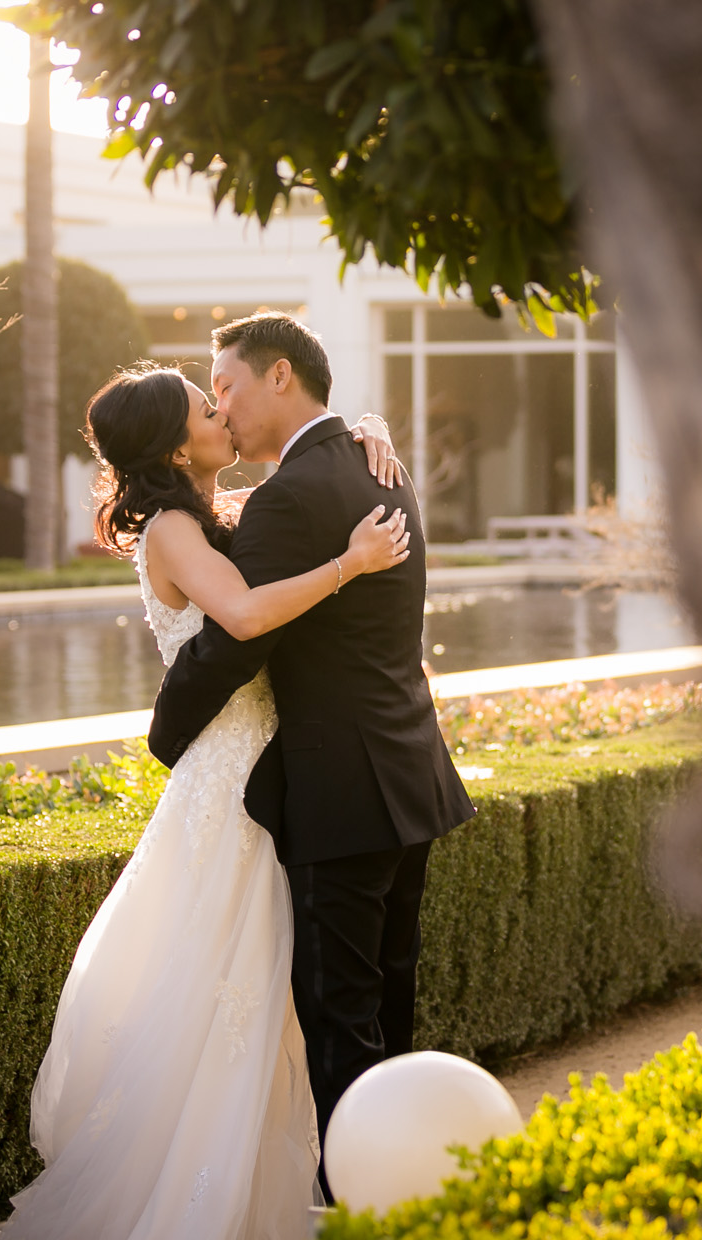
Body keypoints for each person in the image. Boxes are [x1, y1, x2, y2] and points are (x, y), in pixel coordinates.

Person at [0, 364, 411, 1240]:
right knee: (232, 1007)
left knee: (263, 1006)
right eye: (208, 410)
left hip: (257, 766)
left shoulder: (214, 508)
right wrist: (350, 567)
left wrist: (364, 429)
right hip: (230, 778)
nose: (225, 414)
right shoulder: (173, 531)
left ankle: (257, 1235)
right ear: (175, 444)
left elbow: (303, 472)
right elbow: (245, 617)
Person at [147, 312, 474, 1190]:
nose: (221, 406)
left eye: (226, 387)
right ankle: (403, 1199)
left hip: (343, 793)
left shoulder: (294, 494)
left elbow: (231, 640)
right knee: (386, 1012)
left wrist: (167, 730)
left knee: (338, 1022)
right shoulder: (379, 467)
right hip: (410, 777)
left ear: (280, 375)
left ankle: (354, 1229)